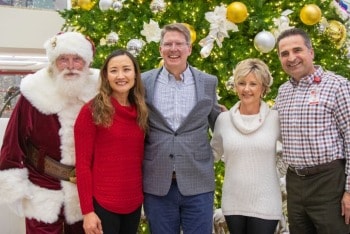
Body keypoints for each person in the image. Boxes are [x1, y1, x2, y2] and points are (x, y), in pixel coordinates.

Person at [0, 31, 99, 233]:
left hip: (88, 190)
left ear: (87, 62)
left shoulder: (100, 90)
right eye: (63, 59)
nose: (71, 66)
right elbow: (13, 143)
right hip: (42, 187)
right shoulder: (34, 92)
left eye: (77, 59)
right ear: (54, 62)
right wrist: (15, 187)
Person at [141, 22, 222, 234]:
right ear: (160, 49)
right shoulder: (143, 82)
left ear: (189, 48)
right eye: (168, 44)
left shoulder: (208, 82)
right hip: (157, 182)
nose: (173, 49)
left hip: (198, 182)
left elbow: (219, 124)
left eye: (179, 44)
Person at [274, 27, 350, 233]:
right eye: (284, 53)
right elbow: (265, 124)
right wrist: (232, 115)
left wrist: (349, 192)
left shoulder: (337, 86)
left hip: (329, 182)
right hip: (295, 183)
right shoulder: (283, 91)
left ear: (311, 52)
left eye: (297, 50)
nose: (292, 58)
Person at [74, 49, 148, 234]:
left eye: (126, 69)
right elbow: (82, 165)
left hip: (133, 203)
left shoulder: (141, 111)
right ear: (106, 76)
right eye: (114, 70)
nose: (121, 76)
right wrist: (88, 212)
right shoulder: (91, 110)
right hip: (103, 204)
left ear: (135, 74)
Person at [210, 58, 282, 234]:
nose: (246, 89)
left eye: (253, 84)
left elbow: (294, 150)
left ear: (263, 88)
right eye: (241, 83)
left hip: (266, 202)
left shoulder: (276, 119)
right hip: (233, 202)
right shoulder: (223, 120)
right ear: (235, 86)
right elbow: (212, 154)